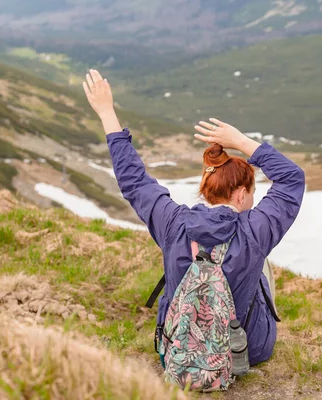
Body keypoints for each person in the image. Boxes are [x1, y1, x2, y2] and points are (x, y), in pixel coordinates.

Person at [83, 69, 305, 366]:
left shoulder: (173, 223)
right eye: (252, 194)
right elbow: (292, 179)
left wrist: (106, 112)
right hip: (244, 353)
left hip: (178, 349)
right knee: (261, 262)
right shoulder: (255, 231)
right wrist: (241, 141)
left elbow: (134, 181)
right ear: (240, 195)